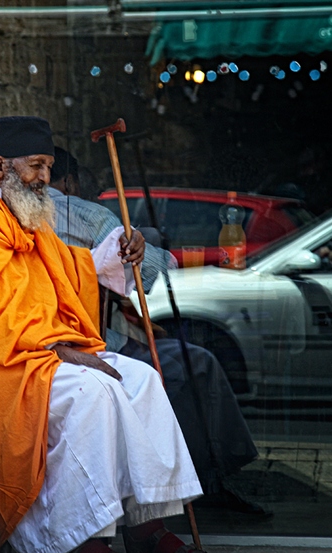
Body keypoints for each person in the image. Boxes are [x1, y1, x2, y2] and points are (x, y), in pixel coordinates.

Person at [0, 116, 216, 553]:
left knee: (141, 380)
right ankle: (76, 539)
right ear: (0, 166)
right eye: (37, 166)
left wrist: (121, 251)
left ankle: (146, 527)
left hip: (43, 350)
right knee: (94, 391)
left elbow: (62, 269)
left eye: (49, 167)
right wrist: (55, 347)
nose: (45, 179)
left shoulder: (26, 212)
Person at [49, 146, 269, 516]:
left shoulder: (5, 217)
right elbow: (148, 272)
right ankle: (208, 483)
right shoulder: (84, 215)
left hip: (72, 336)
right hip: (88, 341)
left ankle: (192, 486)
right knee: (194, 364)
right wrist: (146, 246)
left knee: (173, 360)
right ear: (68, 180)